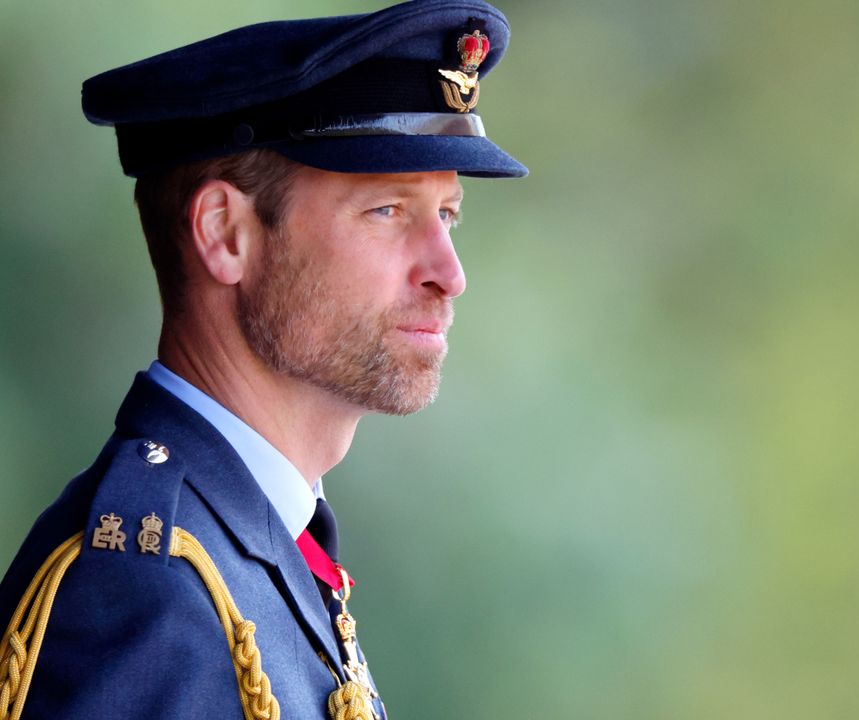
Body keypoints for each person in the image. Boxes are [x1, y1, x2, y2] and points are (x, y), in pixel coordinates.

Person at [0, 1, 525, 718]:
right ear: (225, 234)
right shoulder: (144, 594)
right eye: (387, 211)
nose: (448, 271)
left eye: (448, 215)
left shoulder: (265, 540)